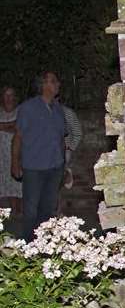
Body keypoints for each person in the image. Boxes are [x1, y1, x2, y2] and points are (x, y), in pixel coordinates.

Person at [12, 71, 67, 240]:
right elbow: (18, 136)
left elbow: (61, 138)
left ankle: (44, 245)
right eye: (54, 81)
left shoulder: (58, 109)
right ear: (44, 85)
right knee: (30, 210)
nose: (58, 84)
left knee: (48, 209)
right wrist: (15, 162)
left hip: (55, 167)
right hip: (34, 167)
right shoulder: (28, 108)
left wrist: (64, 165)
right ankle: (28, 245)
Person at [0, 86, 21, 215]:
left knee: (17, 183)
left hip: (16, 153)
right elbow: (14, 126)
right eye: (6, 95)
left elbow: (20, 128)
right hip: (1, 154)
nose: (8, 98)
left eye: (11, 95)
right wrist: (11, 126)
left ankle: (18, 211)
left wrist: (2, 126)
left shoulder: (20, 111)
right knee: (4, 182)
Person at [60, 96, 82, 190]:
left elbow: (78, 132)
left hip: (64, 150)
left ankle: (66, 172)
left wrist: (70, 147)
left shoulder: (67, 112)